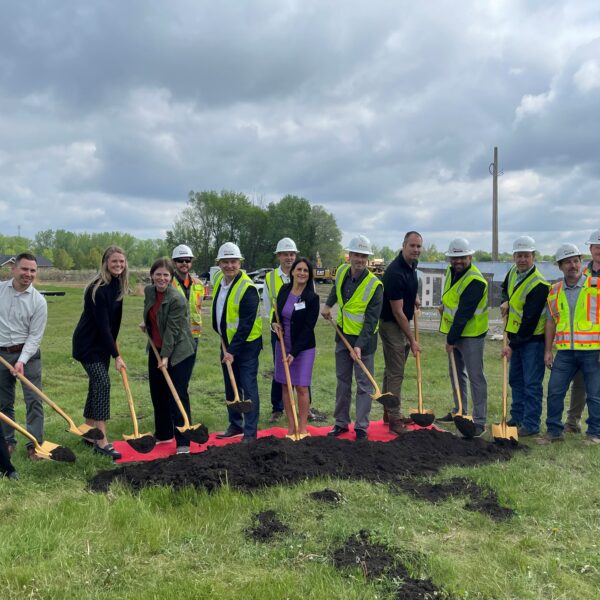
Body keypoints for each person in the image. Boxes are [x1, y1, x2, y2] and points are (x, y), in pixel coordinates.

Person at [321, 235, 383, 440]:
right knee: (343, 381)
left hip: (364, 343)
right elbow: (335, 290)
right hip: (342, 335)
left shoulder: (375, 286)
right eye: (356, 254)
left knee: (364, 385)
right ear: (349, 256)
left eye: (363, 256)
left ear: (367, 258)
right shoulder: (340, 272)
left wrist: (359, 346)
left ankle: (362, 427)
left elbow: (372, 321)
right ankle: (340, 423)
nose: (359, 259)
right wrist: (328, 305)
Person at [538, 243, 600, 445]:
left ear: (581, 263)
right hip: (565, 353)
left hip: (593, 352)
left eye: (575, 261)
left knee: (595, 395)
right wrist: (548, 350)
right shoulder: (554, 291)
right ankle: (554, 432)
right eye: (567, 262)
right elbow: (550, 321)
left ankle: (595, 434)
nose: (572, 265)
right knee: (555, 391)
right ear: (560, 266)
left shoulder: (596, 286)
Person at [72, 246, 127, 459]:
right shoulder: (97, 288)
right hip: (88, 345)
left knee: (96, 384)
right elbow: (103, 326)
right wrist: (117, 356)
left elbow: (115, 324)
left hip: (102, 344)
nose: (118, 265)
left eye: (121, 262)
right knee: (103, 384)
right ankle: (101, 440)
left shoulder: (119, 285)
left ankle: (87, 432)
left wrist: (114, 346)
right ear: (105, 263)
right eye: (114, 262)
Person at [142, 258, 196, 454]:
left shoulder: (177, 299)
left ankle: (183, 441)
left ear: (171, 277)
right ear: (152, 276)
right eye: (158, 274)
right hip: (156, 347)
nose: (162, 278)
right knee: (158, 392)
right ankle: (164, 434)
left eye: (166, 275)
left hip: (179, 352)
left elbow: (173, 331)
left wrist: (165, 357)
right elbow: (152, 312)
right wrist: (147, 325)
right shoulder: (149, 291)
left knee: (177, 394)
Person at [437, 237, 488, 437]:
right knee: (456, 374)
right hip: (456, 331)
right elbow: (452, 299)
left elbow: (464, 314)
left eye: (462, 257)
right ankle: (459, 411)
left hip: (471, 334)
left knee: (476, 376)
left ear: (470, 257)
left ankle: (479, 421)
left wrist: (450, 340)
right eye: (454, 258)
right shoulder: (452, 272)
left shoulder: (475, 281)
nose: (457, 261)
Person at [499, 236, 550, 437]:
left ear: (533, 257)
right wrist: (505, 301)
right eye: (519, 255)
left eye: (526, 256)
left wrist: (512, 345)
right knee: (515, 380)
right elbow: (505, 290)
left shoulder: (539, 285)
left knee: (531, 384)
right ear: (514, 256)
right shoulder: (512, 272)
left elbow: (529, 322)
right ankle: (517, 417)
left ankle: (531, 424)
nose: (522, 259)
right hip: (516, 338)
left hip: (532, 341)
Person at [212, 242, 262, 444]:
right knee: (231, 387)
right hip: (226, 343)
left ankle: (250, 433)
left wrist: (232, 351)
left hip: (246, 345)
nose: (229, 265)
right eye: (225, 262)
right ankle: (235, 424)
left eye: (233, 261)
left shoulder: (248, 288)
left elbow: (246, 325)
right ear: (220, 263)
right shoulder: (218, 280)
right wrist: (224, 341)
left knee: (248, 388)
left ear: (240, 262)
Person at [0, 253, 47, 461]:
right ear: (14, 269)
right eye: (24, 269)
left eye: (32, 270)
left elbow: (35, 336)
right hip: (1, 354)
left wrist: (21, 361)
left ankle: (35, 444)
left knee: (34, 400)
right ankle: (7, 441)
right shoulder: (0, 290)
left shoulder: (39, 302)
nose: (28, 274)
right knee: (3, 402)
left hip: (28, 355)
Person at [379, 231, 422, 435]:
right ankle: (395, 419)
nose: (415, 249)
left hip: (401, 322)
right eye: (412, 245)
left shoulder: (412, 266)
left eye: (418, 246)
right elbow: (397, 311)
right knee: (396, 372)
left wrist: (413, 297)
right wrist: (412, 339)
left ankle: (389, 412)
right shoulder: (395, 272)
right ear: (404, 246)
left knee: (392, 370)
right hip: (391, 324)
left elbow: (407, 291)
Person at [272, 257, 319, 438]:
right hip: (283, 345)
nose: (301, 273)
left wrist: (294, 352)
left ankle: (303, 428)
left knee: (301, 387)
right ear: (292, 272)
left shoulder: (311, 298)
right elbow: (277, 315)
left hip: (303, 348)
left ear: (309, 275)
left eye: (305, 271)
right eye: (298, 269)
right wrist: (273, 325)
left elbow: (308, 328)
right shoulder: (284, 290)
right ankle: (291, 428)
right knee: (285, 386)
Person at [564, 229, 600, 433]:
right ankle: (572, 422)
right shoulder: (582, 274)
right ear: (590, 248)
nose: (599, 250)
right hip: (582, 340)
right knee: (579, 384)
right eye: (597, 247)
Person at [263, 237, 298, 423]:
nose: (289, 257)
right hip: (278, 330)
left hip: (297, 330)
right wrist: (273, 325)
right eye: (285, 254)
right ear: (278, 256)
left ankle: (304, 407)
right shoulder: (269, 278)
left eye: (292, 254)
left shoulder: (302, 273)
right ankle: (277, 408)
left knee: (300, 366)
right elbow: (267, 306)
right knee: (280, 368)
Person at [171, 244, 206, 359]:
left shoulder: (199, 284)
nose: (184, 263)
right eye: (180, 260)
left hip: (193, 335)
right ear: (174, 263)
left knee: (187, 371)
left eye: (188, 260)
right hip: (174, 335)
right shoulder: (168, 284)